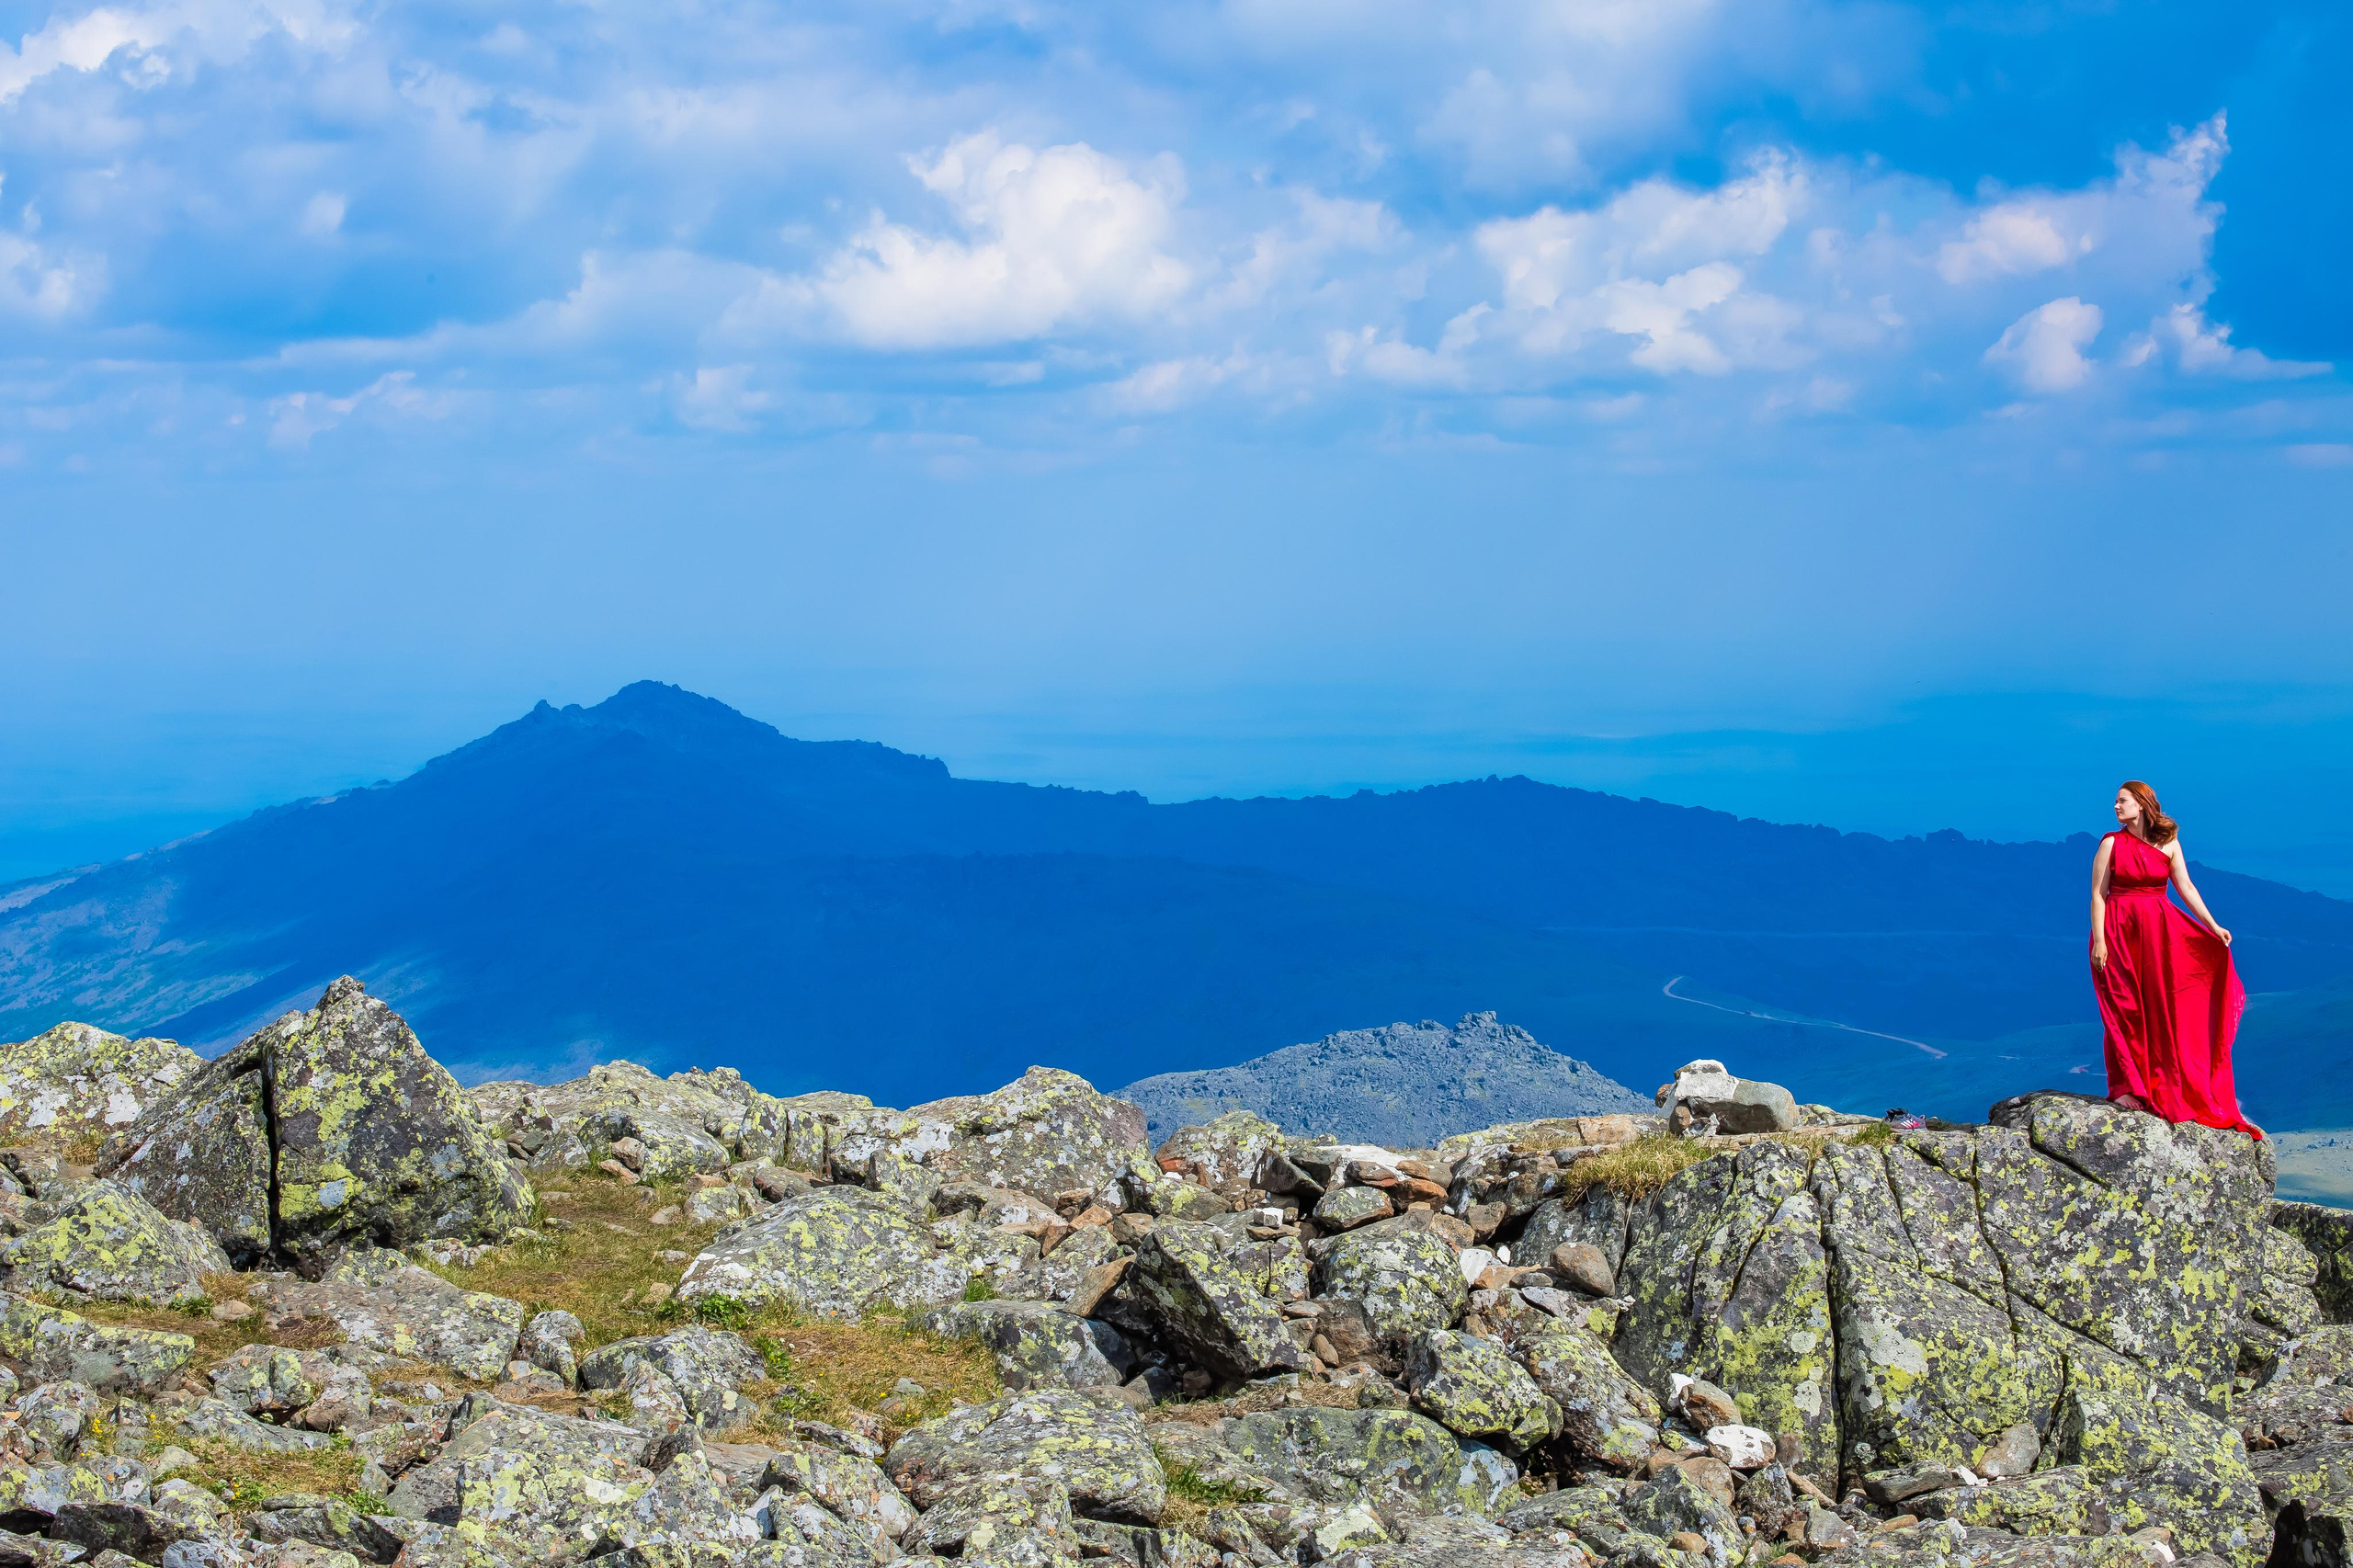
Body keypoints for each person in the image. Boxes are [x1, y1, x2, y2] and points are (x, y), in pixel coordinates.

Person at [2088, 780, 2258, 1137]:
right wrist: (2100, 941)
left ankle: (2160, 1084)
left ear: (2141, 804)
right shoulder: (2111, 843)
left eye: (2122, 801)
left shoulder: (2169, 843)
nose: (2115, 806)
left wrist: (2213, 926)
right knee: (2123, 1008)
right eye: (2116, 801)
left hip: (2159, 934)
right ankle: (2123, 1087)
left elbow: (2186, 887)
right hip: (2118, 932)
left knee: (2160, 1008)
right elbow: (2098, 894)